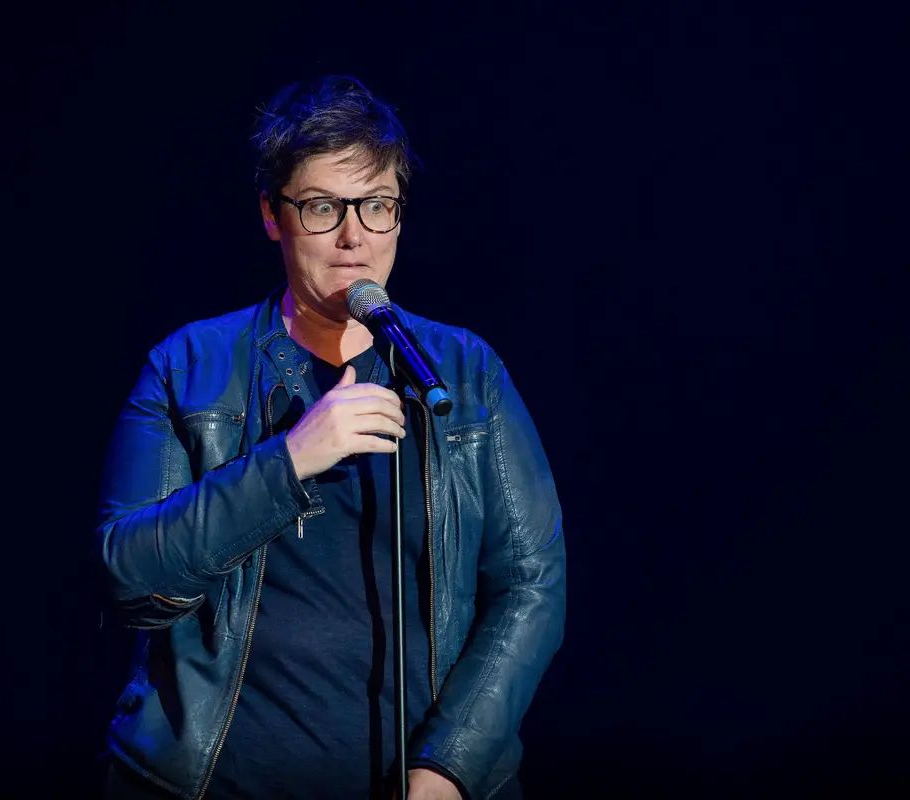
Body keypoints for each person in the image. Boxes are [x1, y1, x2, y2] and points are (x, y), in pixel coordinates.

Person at [96, 75, 566, 800]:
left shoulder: (465, 373)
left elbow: (531, 585)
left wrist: (450, 767)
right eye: (322, 207)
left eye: (377, 205)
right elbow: (130, 578)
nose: (355, 238)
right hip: (210, 784)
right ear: (272, 214)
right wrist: (288, 461)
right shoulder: (189, 368)